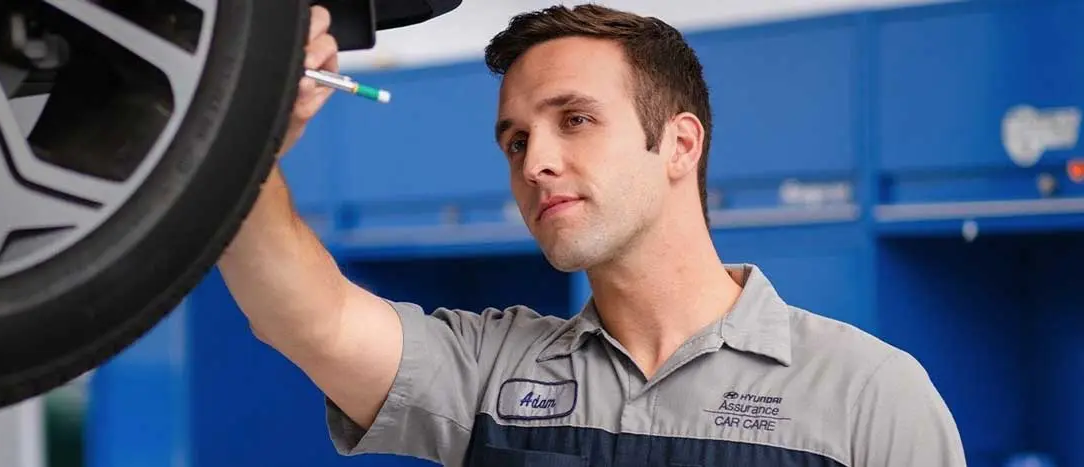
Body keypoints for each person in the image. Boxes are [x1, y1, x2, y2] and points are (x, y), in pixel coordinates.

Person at [217, 4, 967, 466]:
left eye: (574, 119)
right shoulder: (490, 373)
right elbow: (301, 315)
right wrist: (247, 122)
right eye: (515, 140)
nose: (535, 161)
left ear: (679, 144)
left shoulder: (869, 395)